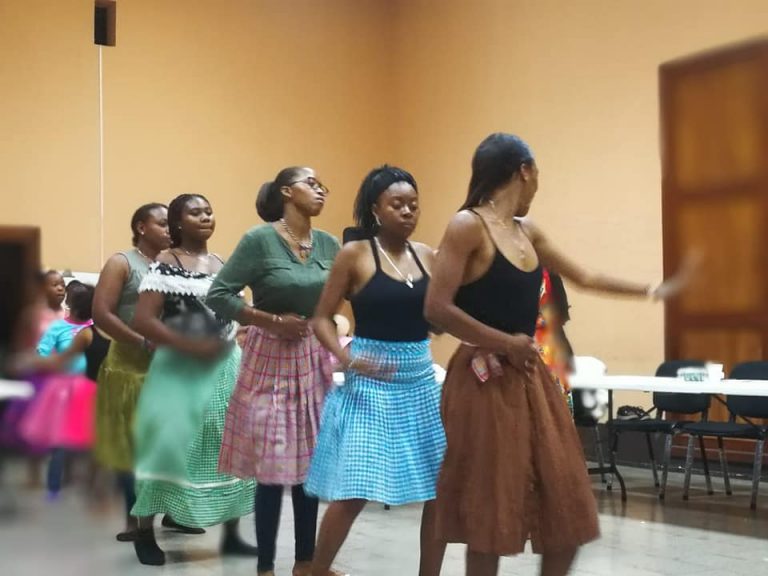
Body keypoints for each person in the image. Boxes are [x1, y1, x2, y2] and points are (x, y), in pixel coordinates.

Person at [424, 133, 690, 576]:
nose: (537, 184)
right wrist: (504, 342)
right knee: (489, 515)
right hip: (482, 380)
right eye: (537, 174)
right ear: (524, 170)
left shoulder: (528, 232)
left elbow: (585, 276)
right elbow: (437, 308)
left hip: (530, 376)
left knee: (568, 506)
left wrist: (651, 289)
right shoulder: (467, 226)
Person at [306, 166, 446, 576]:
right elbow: (321, 319)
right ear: (375, 209)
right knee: (355, 489)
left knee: (440, 490)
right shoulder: (355, 255)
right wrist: (346, 357)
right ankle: (318, 570)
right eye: (397, 204)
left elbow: (437, 318)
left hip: (420, 382)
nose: (407, 211)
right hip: (370, 383)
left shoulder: (428, 255)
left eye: (413, 204)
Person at [207, 166, 338, 576]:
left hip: (312, 357)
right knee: (271, 465)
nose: (320, 190)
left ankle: (305, 562)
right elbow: (219, 294)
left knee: (308, 464)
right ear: (286, 192)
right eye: (310, 183)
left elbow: (342, 295)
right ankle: (265, 566)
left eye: (322, 185)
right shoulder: (258, 240)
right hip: (269, 358)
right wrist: (270, 321)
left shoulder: (330, 244)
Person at [128, 194, 257, 565]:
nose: (205, 217)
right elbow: (144, 320)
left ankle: (232, 535)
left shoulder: (223, 264)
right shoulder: (166, 263)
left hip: (224, 367)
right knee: (167, 446)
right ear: (177, 222)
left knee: (225, 444)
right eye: (195, 212)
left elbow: (237, 311)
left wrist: (248, 327)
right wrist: (189, 344)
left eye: (209, 211)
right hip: (178, 368)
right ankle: (144, 532)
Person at [92, 203, 178, 541]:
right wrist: (141, 341)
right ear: (141, 227)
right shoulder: (122, 263)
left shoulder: (174, 263)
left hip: (168, 368)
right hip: (129, 369)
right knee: (131, 451)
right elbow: (102, 313)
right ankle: (134, 520)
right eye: (162, 223)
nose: (170, 229)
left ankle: (170, 512)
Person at [21, 282, 96, 499]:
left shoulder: (95, 328)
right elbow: (43, 353)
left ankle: (78, 478)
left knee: (85, 436)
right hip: (64, 389)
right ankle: (54, 485)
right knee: (61, 437)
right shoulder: (57, 328)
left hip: (90, 388)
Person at [0, 270, 67, 487]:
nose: (58, 288)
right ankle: (34, 473)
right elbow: (21, 345)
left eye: (61, 284)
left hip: (60, 375)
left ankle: (61, 474)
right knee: (34, 426)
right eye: (53, 284)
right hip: (37, 376)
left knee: (60, 427)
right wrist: (31, 360)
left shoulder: (66, 315)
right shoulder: (32, 314)